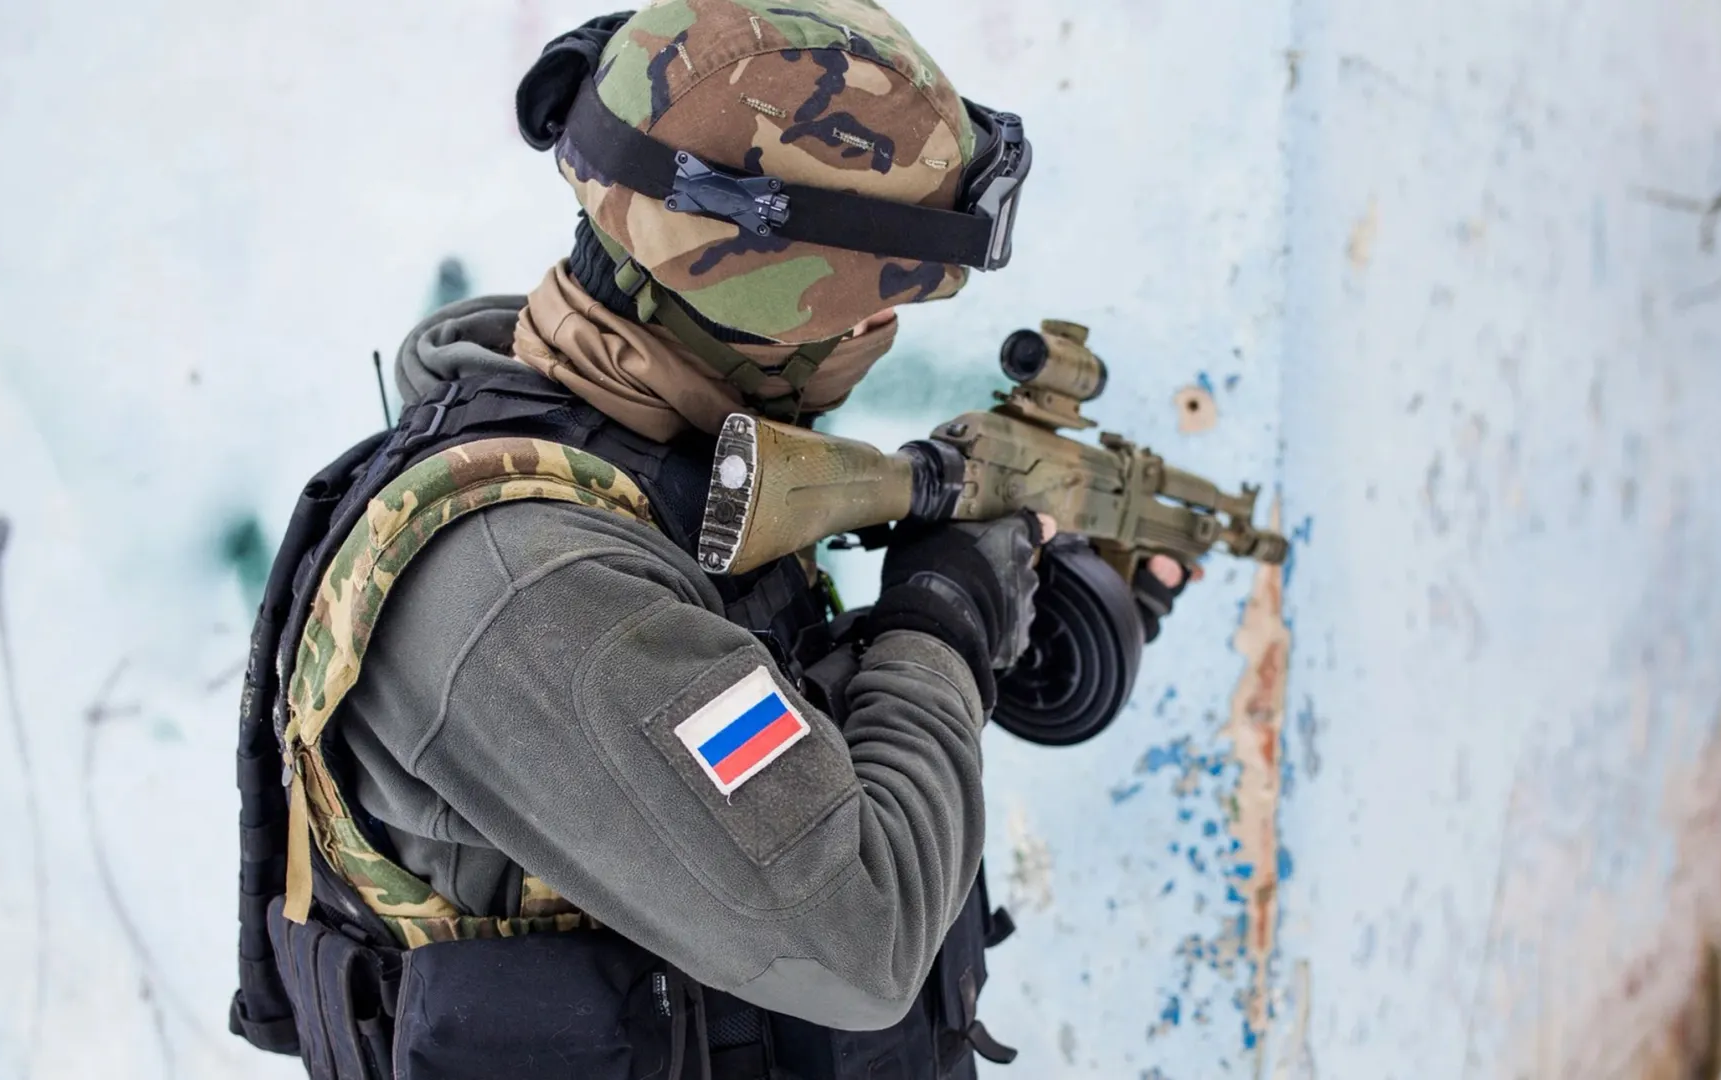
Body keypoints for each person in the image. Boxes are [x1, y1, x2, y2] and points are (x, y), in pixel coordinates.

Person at [228, 4, 1188, 1077]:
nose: (877, 334)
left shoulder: (658, 469)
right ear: (781, 303)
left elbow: (767, 784)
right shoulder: (535, 590)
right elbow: (862, 938)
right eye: (879, 304)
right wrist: (943, 625)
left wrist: (1039, 617)